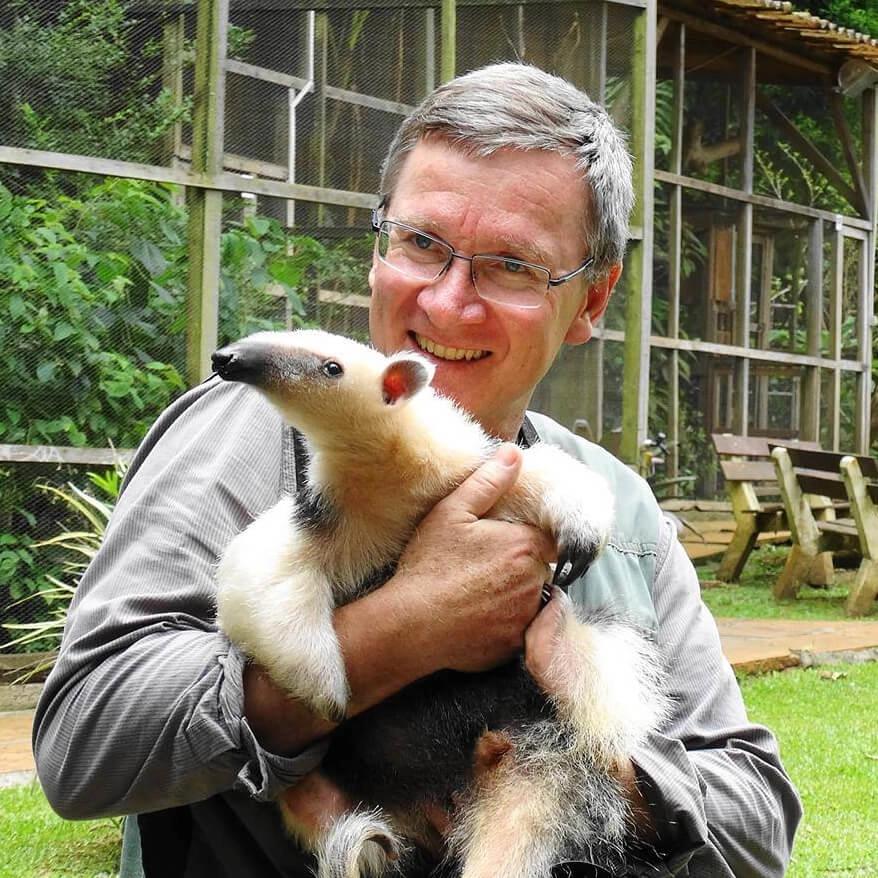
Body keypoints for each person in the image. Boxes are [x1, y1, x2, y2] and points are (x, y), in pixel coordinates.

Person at [33, 62, 801, 877]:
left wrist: (577, 774)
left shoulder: (615, 510)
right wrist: (397, 634)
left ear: (594, 300)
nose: (446, 303)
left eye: (513, 266)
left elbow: (756, 825)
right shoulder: (256, 438)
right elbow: (85, 743)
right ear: (379, 247)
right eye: (422, 243)